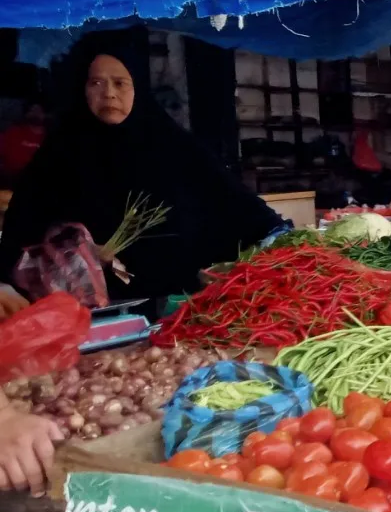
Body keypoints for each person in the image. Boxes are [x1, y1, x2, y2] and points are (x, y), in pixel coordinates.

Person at [0, 30, 284, 312]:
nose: (108, 93)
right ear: (82, 89)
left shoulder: (174, 146)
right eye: (96, 82)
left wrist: (278, 235)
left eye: (120, 83)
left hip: (176, 307)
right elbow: (21, 226)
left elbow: (238, 204)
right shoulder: (60, 153)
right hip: (86, 315)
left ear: (137, 87)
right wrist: (75, 249)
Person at [0, 100, 47, 185]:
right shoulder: (13, 132)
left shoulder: (53, 136)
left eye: (39, 111)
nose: (35, 114)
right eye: (32, 111)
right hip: (11, 180)